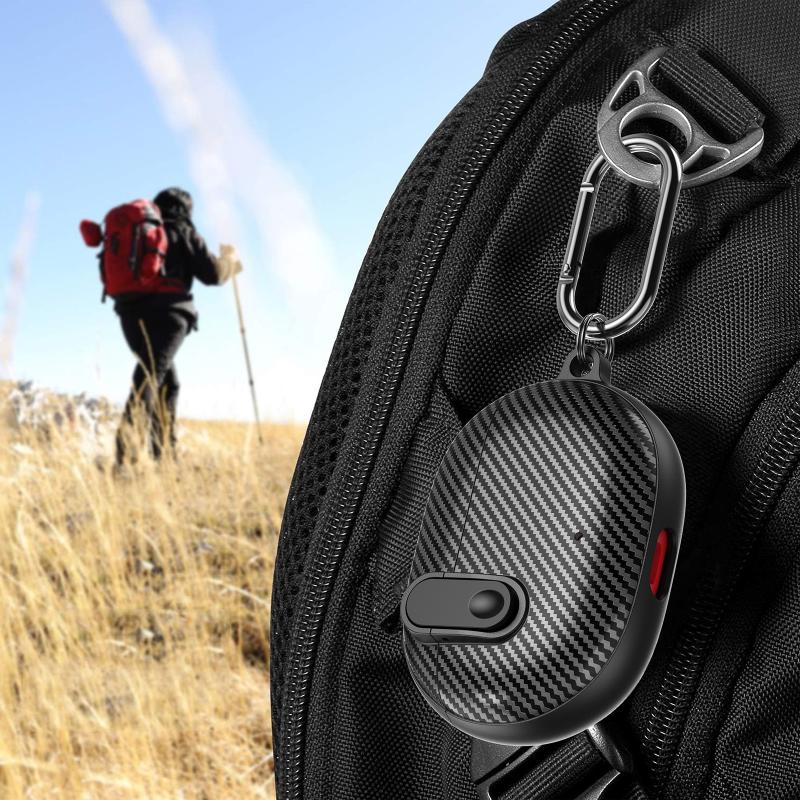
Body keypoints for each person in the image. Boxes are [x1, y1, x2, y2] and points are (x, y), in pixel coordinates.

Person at [114, 187, 239, 465]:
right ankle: (125, 458)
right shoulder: (182, 230)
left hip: (130, 314)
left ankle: (164, 457)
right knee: (151, 377)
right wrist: (230, 261)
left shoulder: (141, 232)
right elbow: (213, 274)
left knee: (166, 382)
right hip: (169, 315)